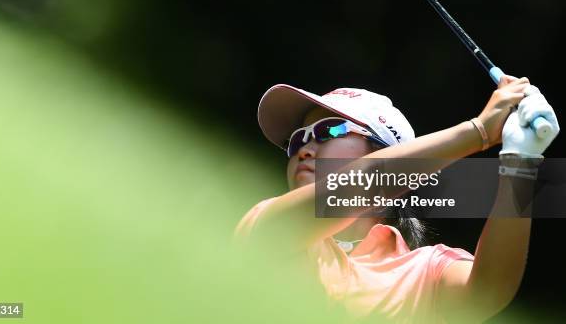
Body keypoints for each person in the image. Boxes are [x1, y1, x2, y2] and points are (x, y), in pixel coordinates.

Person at [234, 76, 559, 323]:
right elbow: (347, 191)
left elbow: (486, 292)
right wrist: (478, 131)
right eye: (296, 140)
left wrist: (521, 162)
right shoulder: (269, 221)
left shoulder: (424, 271)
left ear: (392, 154)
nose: (303, 148)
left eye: (328, 131)